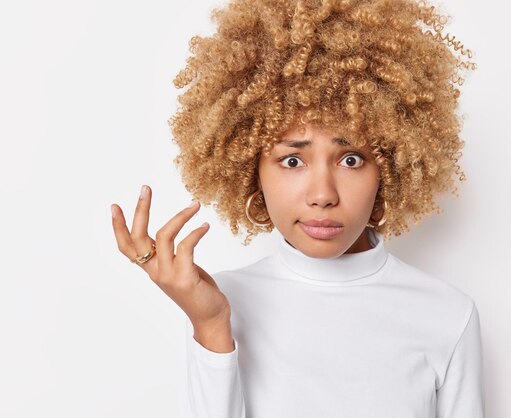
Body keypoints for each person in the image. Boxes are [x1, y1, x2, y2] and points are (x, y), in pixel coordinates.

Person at [111, 0, 484, 416]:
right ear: (252, 170)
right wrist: (212, 328)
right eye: (292, 160)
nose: (322, 194)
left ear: (391, 165)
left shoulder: (447, 315)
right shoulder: (221, 302)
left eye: (351, 159)